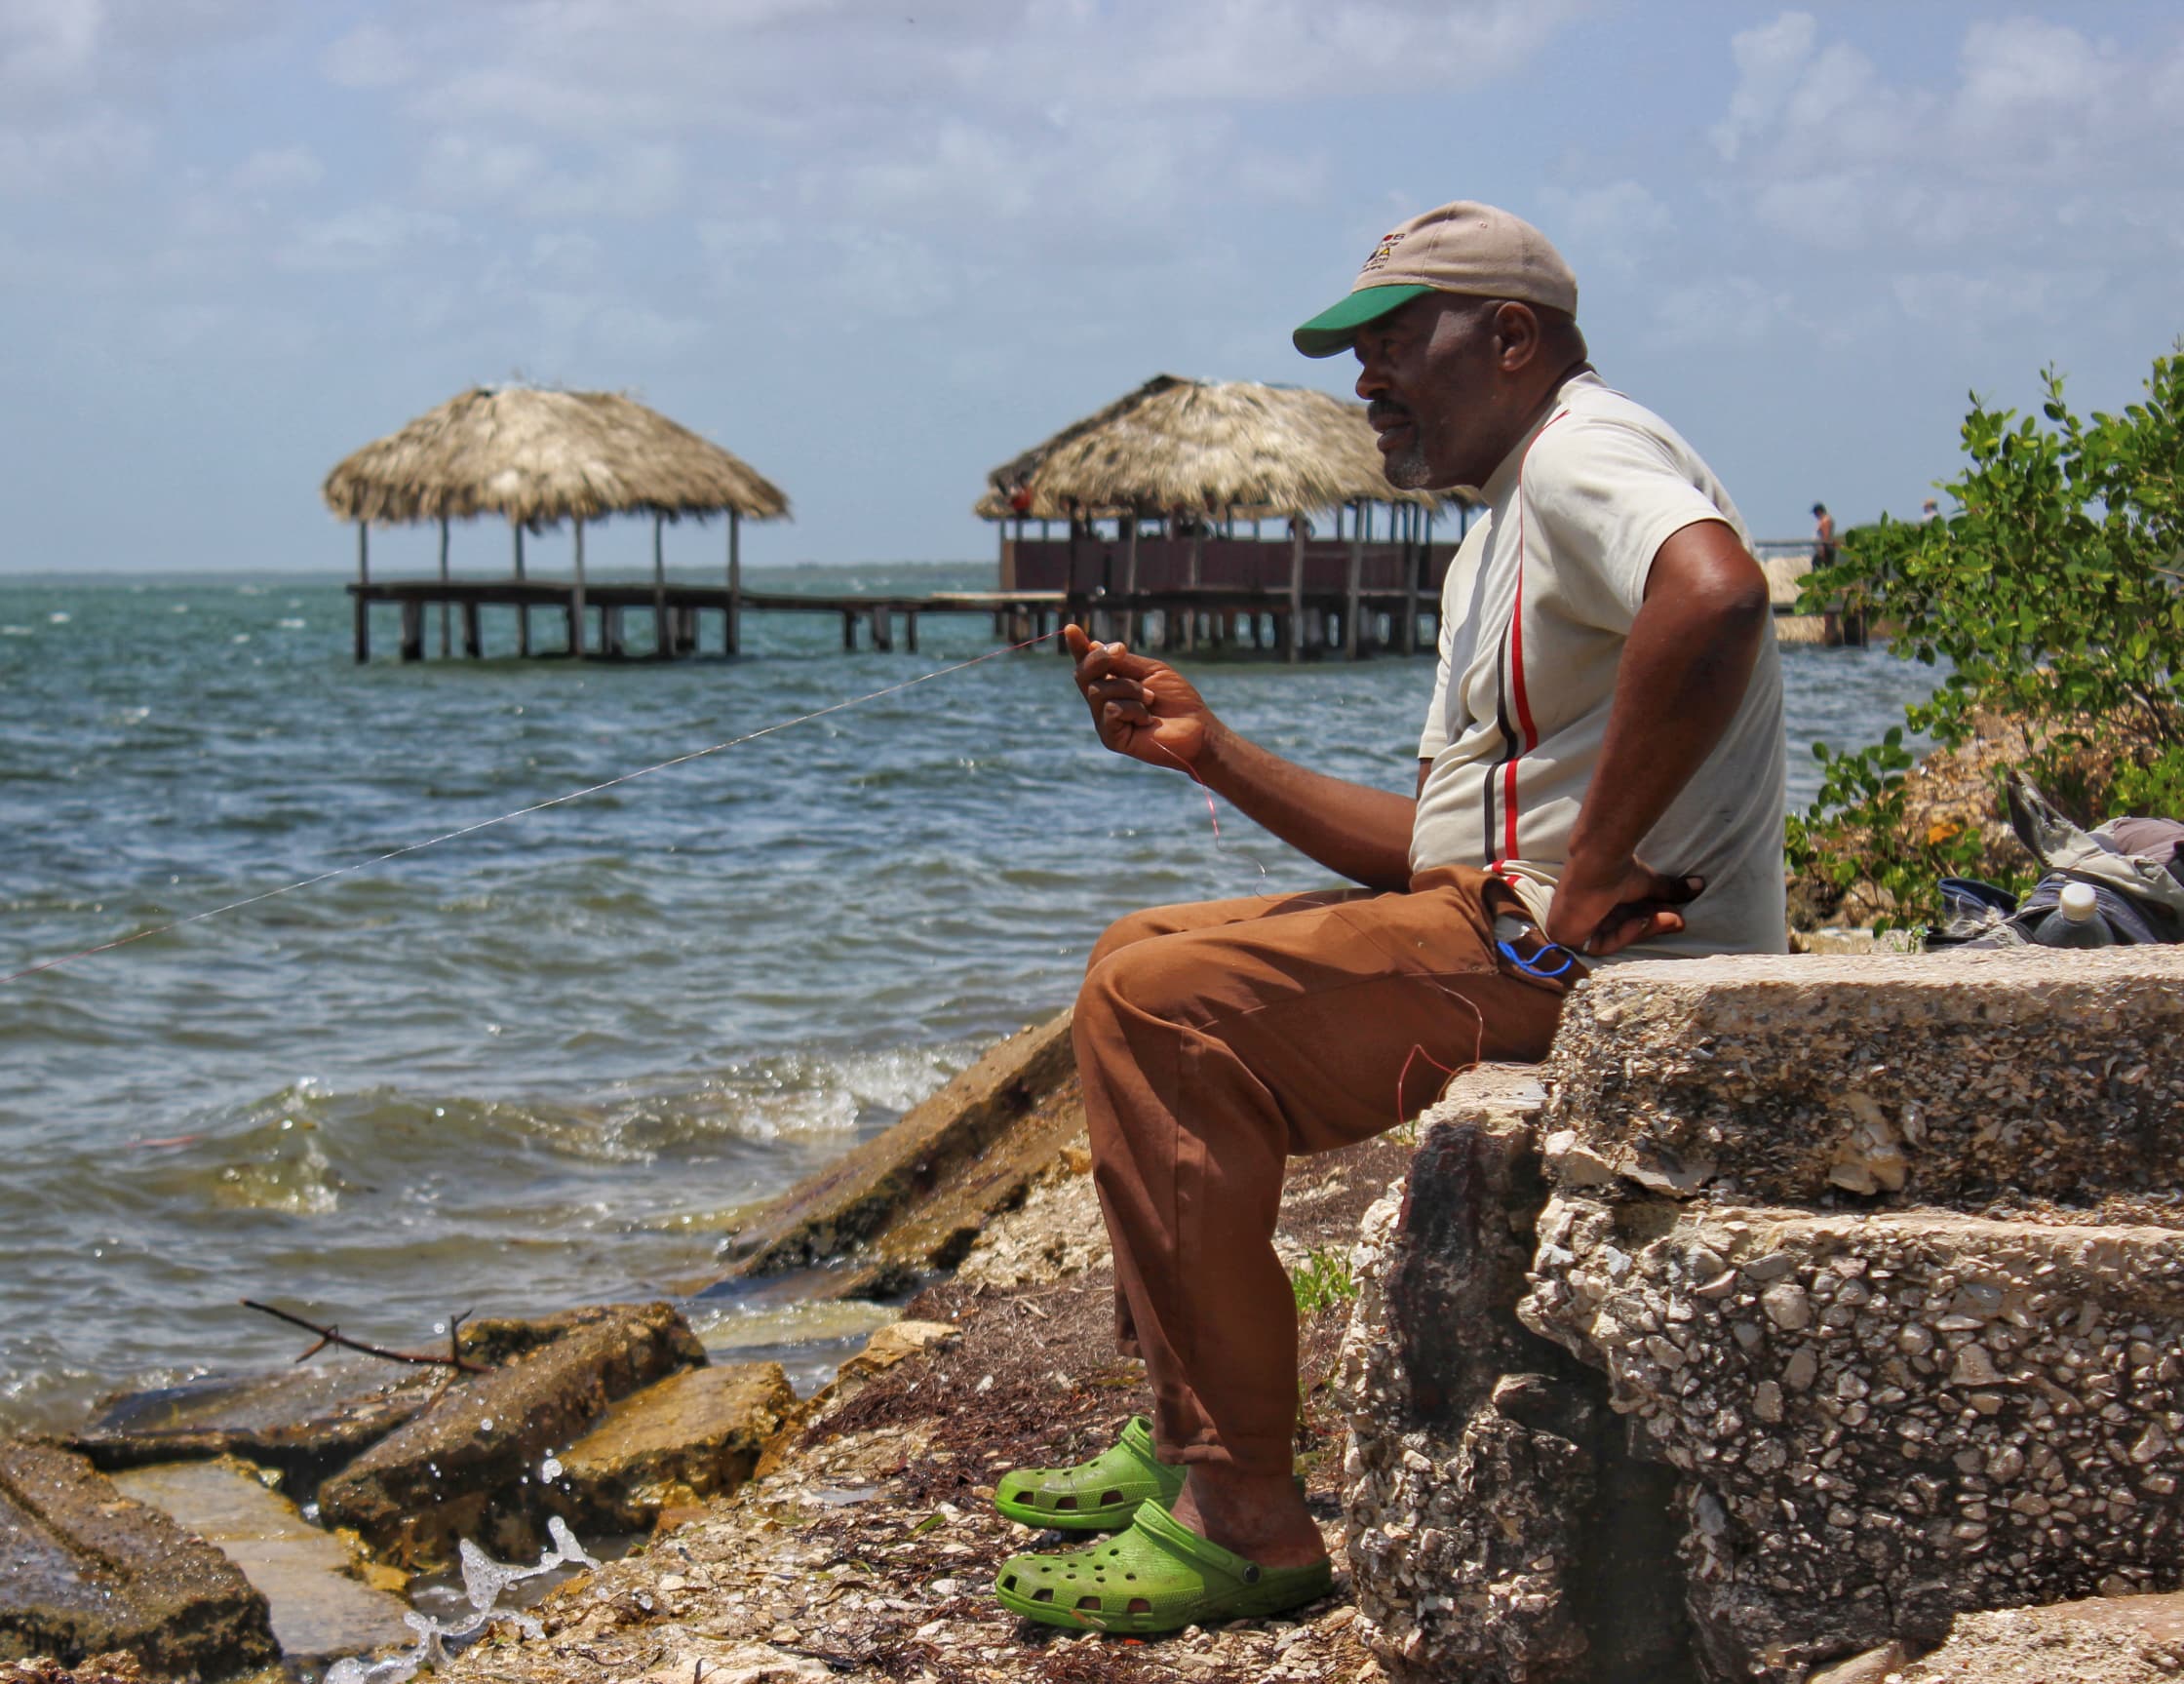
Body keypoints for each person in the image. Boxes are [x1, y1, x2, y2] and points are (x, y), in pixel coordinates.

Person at [989, 200, 1787, 1634]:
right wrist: (1210, 749)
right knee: (1133, 953)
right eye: (1360, 350)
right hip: (1506, 924)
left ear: (1516, 338)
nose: (1367, 379)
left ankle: (1244, 1511)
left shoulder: (1585, 451)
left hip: (1617, 963)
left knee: (1161, 1010)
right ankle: (1182, 1430)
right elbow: (1431, 854)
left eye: (1395, 339)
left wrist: (1594, 868)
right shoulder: (1495, 534)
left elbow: (1718, 594)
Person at [1813, 500, 1837, 567]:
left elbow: (1825, 536)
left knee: (1817, 563)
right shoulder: (1825, 520)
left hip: (1825, 548)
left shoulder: (1825, 521)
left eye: (1815, 513)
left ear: (1819, 512)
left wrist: (1822, 549)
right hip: (1826, 547)